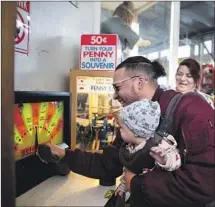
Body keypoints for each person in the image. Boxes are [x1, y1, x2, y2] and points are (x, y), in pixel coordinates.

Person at [38, 56, 214, 207]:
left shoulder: (191, 109)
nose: (115, 96)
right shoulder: (132, 121)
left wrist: (136, 184)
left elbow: (206, 181)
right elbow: (109, 164)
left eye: (117, 87)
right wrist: (63, 155)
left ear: (139, 83)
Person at [115, 99, 181, 203]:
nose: (119, 130)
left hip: (154, 198)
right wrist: (123, 187)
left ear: (136, 131)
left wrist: (165, 159)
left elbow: (176, 160)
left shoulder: (158, 145)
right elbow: (129, 170)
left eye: (122, 128)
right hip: (137, 194)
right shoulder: (130, 148)